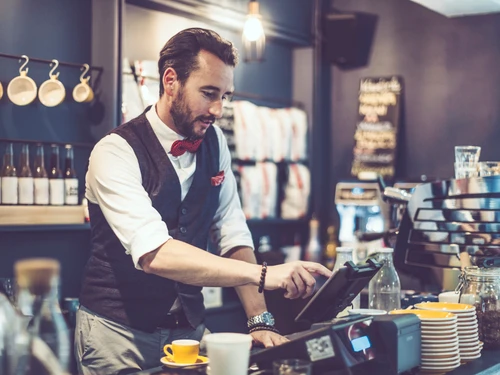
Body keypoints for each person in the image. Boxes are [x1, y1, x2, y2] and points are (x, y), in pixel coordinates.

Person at [75, 27, 331, 375]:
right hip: (118, 335)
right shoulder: (114, 152)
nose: (217, 109)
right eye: (208, 93)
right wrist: (264, 275)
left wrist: (260, 320)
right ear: (170, 81)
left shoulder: (215, 144)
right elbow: (155, 253)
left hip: (190, 332)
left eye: (225, 95)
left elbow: (231, 231)